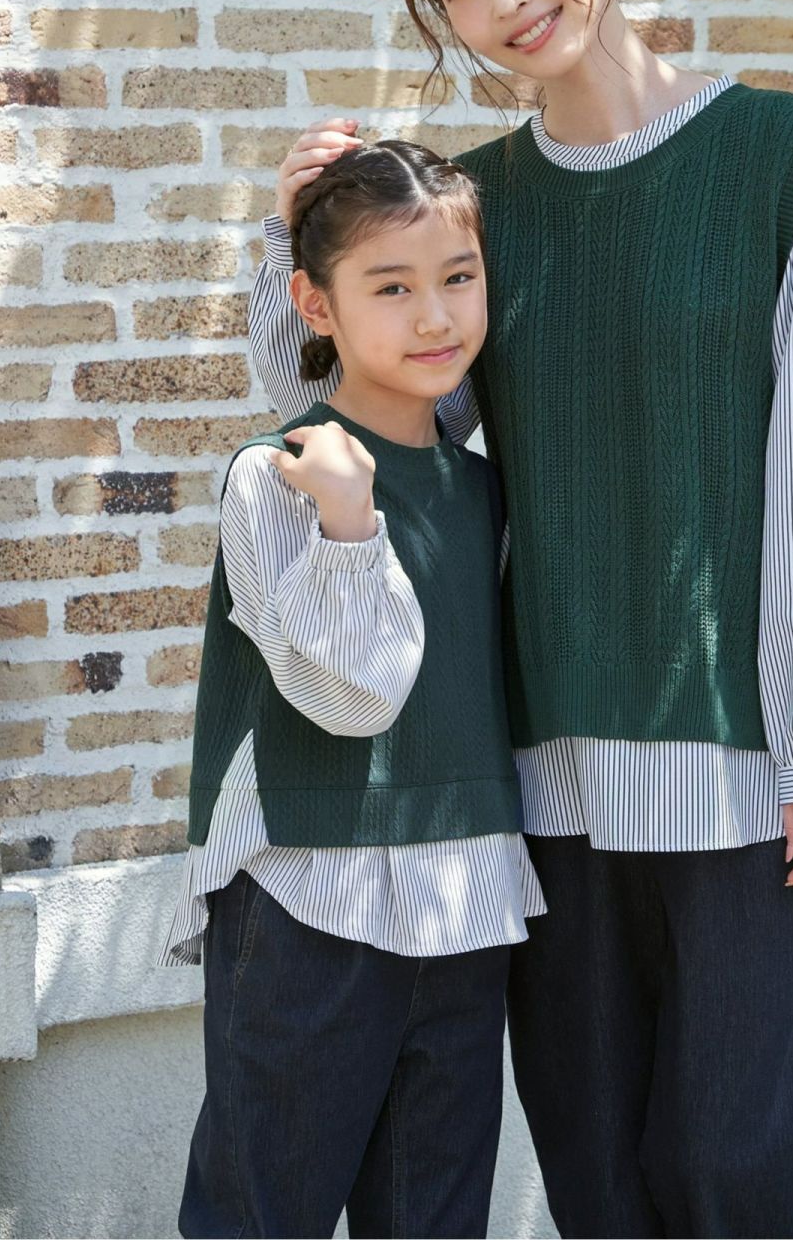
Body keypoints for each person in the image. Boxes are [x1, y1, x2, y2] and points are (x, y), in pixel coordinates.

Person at [249, 0, 793, 1237]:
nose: (503, 0)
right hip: (549, 790)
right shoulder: (476, 211)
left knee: (734, 1180)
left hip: (750, 778)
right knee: (596, 1187)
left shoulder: (782, 154)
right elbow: (377, 427)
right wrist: (293, 244)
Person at [158, 138, 546, 1239]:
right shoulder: (278, 477)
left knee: (434, 1219)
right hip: (308, 893)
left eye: (457, 277)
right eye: (391, 287)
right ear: (314, 304)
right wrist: (348, 522)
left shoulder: (485, 485)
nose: (435, 317)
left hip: (464, 892)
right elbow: (350, 695)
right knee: (259, 1214)